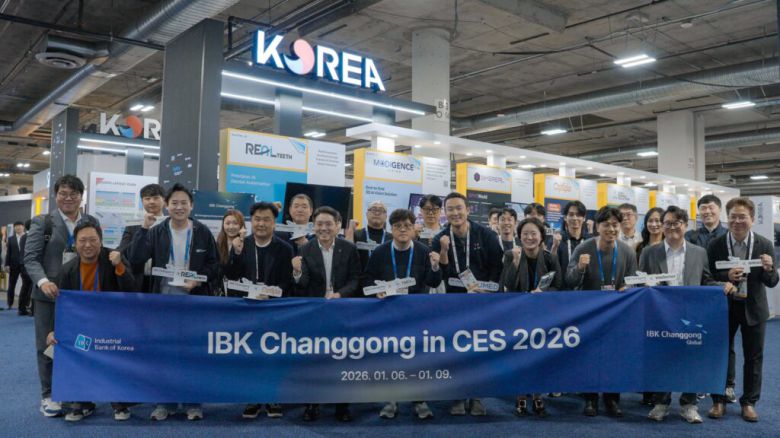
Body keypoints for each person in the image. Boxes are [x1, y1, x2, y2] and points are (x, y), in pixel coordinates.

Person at [128, 183, 218, 421]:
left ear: (191, 206)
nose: (179, 207)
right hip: (163, 301)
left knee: (192, 353)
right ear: (167, 206)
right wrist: (143, 229)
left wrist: (198, 280)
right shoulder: (156, 231)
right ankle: (164, 403)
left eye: (184, 203)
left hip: (194, 300)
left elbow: (214, 265)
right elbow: (135, 260)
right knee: (164, 352)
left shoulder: (202, 231)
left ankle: (193, 403)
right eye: (174, 203)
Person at [639, 206, 735, 424]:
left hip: (690, 315)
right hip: (660, 315)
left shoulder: (699, 252)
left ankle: (689, 405)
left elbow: (706, 280)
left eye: (677, 223)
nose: (672, 227)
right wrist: (641, 285)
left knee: (691, 358)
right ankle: (661, 403)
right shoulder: (649, 252)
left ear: (685, 225)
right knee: (661, 358)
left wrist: (722, 285)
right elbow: (639, 280)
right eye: (667, 223)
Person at [24, 175, 99, 418]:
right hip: (49, 296)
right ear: (56, 196)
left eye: (73, 194)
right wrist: (43, 282)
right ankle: (49, 395)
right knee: (47, 345)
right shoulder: (43, 223)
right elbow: (31, 258)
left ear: (81, 197)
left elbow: (97, 253)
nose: (68, 198)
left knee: (81, 343)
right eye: (63, 193)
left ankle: (79, 393)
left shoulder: (90, 221)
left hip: (81, 298)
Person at [47, 222, 137, 421]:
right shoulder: (67, 269)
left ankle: (118, 402)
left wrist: (119, 266)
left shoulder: (114, 259)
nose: (88, 245)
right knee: (75, 354)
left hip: (112, 326)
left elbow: (131, 290)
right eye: (82, 240)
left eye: (92, 240)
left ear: (100, 240)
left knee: (114, 360)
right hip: (82, 326)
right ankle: (81, 401)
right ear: (75, 243)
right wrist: (54, 330)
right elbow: (62, 304)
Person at [366, 209, 441, 420]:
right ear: (391, 229)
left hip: (416, 314)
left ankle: (419, 400)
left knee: (417, 359)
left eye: (407, 225)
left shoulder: (423, 251)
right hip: (388, 313)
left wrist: (435, 266)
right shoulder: (380, 252)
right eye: (398, 226)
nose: (402, 230)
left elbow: (433, 282)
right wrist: (376, 290)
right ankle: (391, 400)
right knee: (391, 358)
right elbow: (367, 279)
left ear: (414, 228)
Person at [432, 192, 503, 417]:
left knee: (479, 350)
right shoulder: (439, 238)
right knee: (456, 351)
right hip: (454, 302)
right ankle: (457, 395)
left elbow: (497, 267)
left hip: (482, 301)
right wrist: (444, 251)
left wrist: (487, 289)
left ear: (468, 210)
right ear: (445, 213)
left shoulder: (486, 235)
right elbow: (438, 276)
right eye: (450, 209)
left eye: (459, 208)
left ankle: (477, 396)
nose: (455, 213)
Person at [707, 197, 778, 423]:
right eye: (733, 217)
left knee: (754, 356)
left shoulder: (764, 244)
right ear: (727, 218)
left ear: (752, 219)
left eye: (742, 217)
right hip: (723, 307)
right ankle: (719, 399)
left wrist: (769, 269)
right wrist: (725, 276)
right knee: (721, 353)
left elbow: (772, 282)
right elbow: (707, 276)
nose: (737, 221)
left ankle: (749, 402)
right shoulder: (716, 245)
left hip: (754, 308)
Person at [565, 206, 637, 417]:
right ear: (597, 226)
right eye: (606, 225)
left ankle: (612, 398)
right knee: (590, 355)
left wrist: (628, 287)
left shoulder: (627, 251)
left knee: (615, 356)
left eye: (615, 225)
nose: (611, 229)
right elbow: (569, 281)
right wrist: (580, 268)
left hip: (617, 313)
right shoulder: (584, 248)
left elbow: (634, 280)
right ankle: (590, 398)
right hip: (590, 313)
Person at [224, 201, 293, 420]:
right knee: (250, 356)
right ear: (251, 221)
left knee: (274, 356)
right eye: (257, 219)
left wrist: (270, 293)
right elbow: (230, 276)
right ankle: (252, 398)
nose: (261, 224)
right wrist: (235, 254)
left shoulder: (285, 248)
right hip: (248, 310)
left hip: (274, 310)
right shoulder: (241, 244)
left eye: (266, 220)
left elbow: (287, 282)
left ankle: (273, 398)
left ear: (274, 223)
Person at [292, 206, 358, 422]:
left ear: (338, 225)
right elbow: (303, 284)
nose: (323, 228)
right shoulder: (306, 249)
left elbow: (355, 280)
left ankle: (342, 405)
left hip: (342, 312)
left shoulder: (349, 248)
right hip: (316, 314)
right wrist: (297, 272)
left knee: (343, 360)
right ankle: (313, 403)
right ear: (314, 226)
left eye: (328, 224)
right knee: (315, 361)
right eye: (319, 224)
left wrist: (340, 294)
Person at [499, 217, 562, 418]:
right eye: (525, 234)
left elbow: (559, 285)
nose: (529, 237)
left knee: (538, 357)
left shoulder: (549, 258)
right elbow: (506, 286)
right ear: (519, 236)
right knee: (520, 357)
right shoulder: (511, 255)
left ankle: (537, 396)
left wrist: (543, 293)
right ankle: (520, 397)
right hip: (518, 316)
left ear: (541, 236)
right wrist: (515, 263)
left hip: (542, 316)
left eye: (533, 233)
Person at [684, 195, 733, 402]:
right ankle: (700, 383)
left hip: (724, 294)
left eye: (711, 208)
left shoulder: (729, 235)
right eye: (703, 208)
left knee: (725, 343)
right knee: (697, 341)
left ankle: (727, 384)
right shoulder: (691, 236)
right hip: (698, 297)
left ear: (719, 210)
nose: (707, 212)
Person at [117, 183, 166, 293]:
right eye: (147, 198)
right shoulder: (133, 225)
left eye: (156, 198)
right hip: (138, 279)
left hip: (162, 281)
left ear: (164, 200)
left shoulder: (170, 225)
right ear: (142, 201)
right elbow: (123, 249)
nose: (151, 202)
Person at [348, 201, 392, 274]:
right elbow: (346, 255)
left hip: (384, 280)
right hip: (359, 279)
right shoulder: (356, 234)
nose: (377, 213)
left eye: (381, 210)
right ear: (367, 214)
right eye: (373, 209)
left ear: (386, 216)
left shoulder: (392, 238)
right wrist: (350, 229)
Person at [554, 201, 589, 273]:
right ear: (565, 217)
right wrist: (554, 247)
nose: (575, 218)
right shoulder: (558, 240)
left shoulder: (589, 241)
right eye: (571, 214)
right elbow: (551, 265)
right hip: (563, 280)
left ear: (584, 218)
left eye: (578, 215)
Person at [216, 209, 245, 296]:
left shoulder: (247, 244)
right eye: (227, 223)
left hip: (239, 292)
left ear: (241, 226)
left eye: (235, 223)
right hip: (220, 292)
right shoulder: (218, 243)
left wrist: (238, 251)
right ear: (223, 225)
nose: (231, 227)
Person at [5, 221, 25, 312]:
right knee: (11, 285)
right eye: (16, 226)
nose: (18, 228)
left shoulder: (28, 237)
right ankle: (10, 303)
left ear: (23, 227)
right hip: (13, 265)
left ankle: (24, 304)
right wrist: (7, 264)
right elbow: (8, 253)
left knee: (26, 285)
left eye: (20, 226)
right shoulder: (11, 239)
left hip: (25, 265)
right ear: (14, 228)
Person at [18, 220, 33, 316]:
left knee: (25, 287)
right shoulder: (33, 236)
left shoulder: (23, 237)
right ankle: (32, 309)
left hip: (23, 265)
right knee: (33, 287)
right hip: (30, 264)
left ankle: (22, 308)